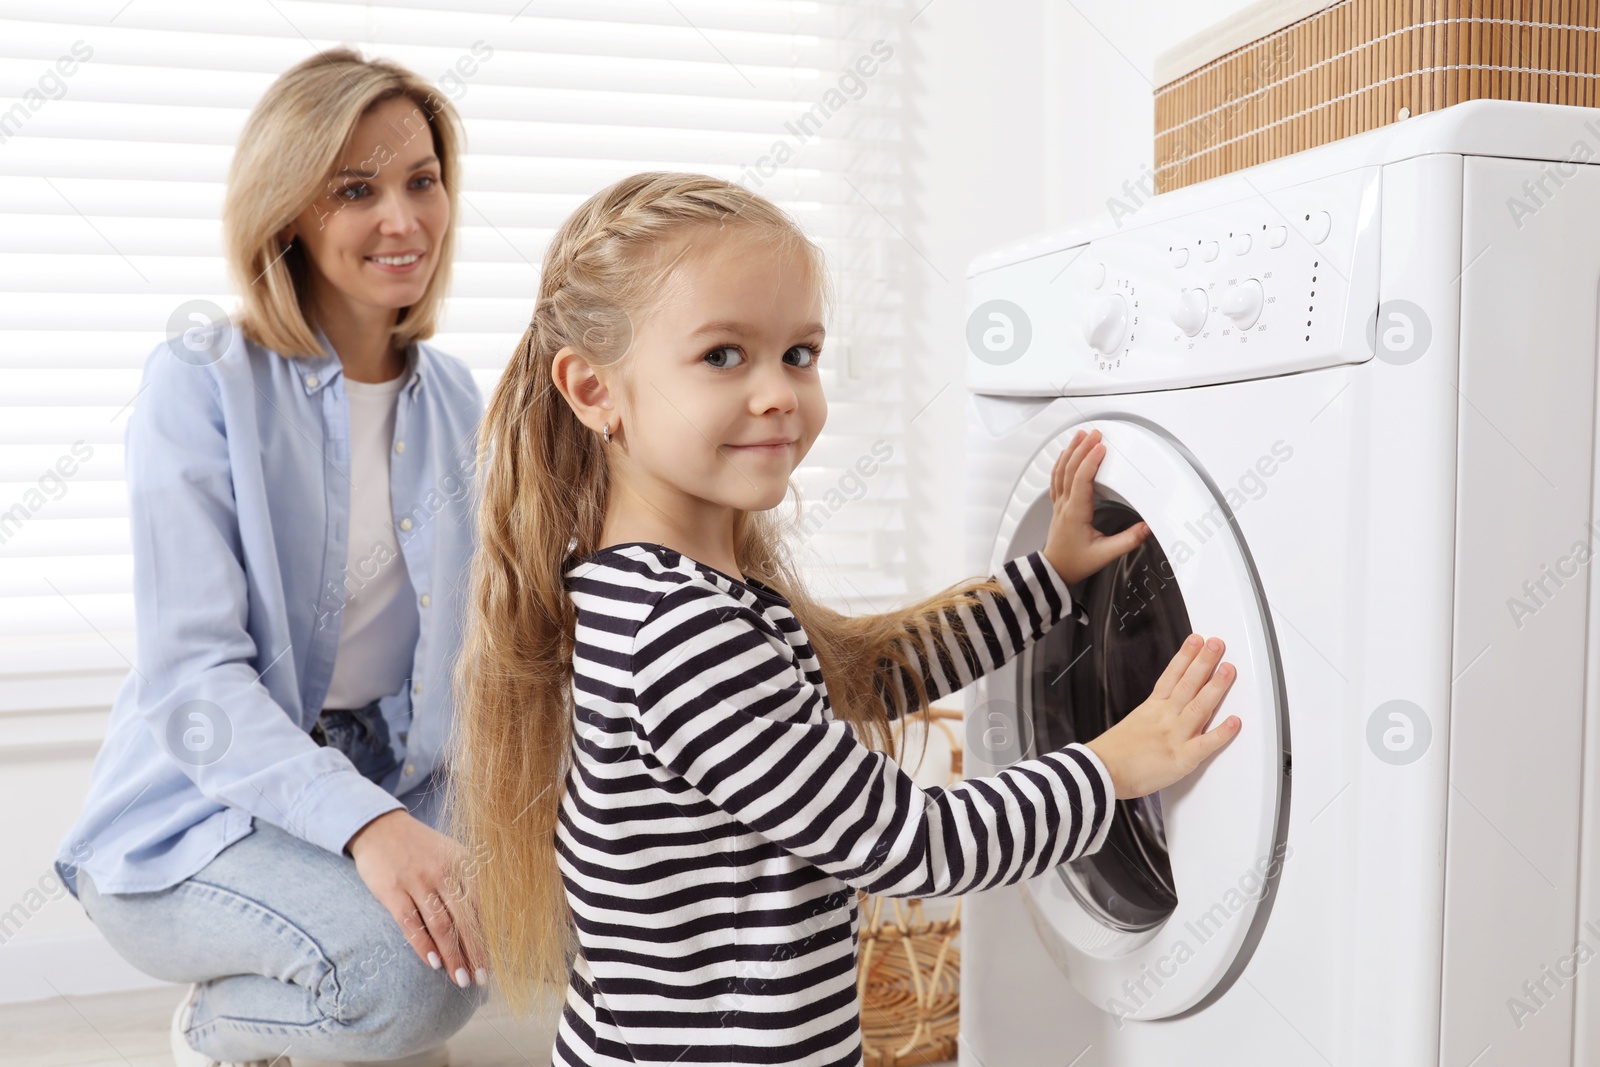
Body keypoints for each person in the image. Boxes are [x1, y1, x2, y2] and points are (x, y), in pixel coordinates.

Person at [442, 171, 1243, 1066]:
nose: (781, 391)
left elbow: (868, 674)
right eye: (722, 355)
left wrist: (1044, 583)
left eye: (800, 353)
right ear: (595, 392)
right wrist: (1111, 767)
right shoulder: (680, 633)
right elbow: (911, 843)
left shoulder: (652, 588)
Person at [52, 48, 489, 1067]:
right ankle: (220, 1027)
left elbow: (499, 631)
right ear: (288, 211)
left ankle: (344, 996)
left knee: (550, 909)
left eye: (421, 180)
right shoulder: (200, 381)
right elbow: (195, 677)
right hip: (200, 812)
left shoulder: (458, 396)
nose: (404, 218)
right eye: (355, 189)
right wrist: (369, 826)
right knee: (404, 982)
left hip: (398, 775)